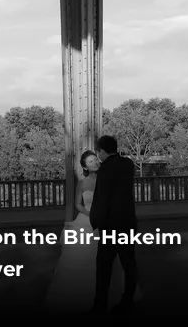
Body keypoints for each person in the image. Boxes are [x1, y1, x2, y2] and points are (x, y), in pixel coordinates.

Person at [45, 150, 135, 312]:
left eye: (95, 159)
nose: (94, 163)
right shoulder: (83, 183)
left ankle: (111, 297)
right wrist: (92, 214)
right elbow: (78, 204)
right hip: (87, 220)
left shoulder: (108, 178)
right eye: (90, 161)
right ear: (85, 167)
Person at [89, 135, 139, 315]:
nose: (98, 156)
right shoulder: (128, 164)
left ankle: (100, 305)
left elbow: (102, 199)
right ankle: (128, 300)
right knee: (129, 263)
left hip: (110, 226)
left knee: (103, 267)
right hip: (128, 222)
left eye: (98, 152)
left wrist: (95, 221)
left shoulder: (105, 169)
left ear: (102, 151)